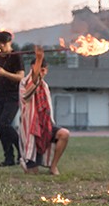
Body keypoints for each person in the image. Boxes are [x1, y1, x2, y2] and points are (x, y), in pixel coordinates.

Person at [18, 46, 70, 175]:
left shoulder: (45, 86)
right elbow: (30, 88)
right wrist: (39, 58)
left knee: (64, 134)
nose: (40, 72)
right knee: (32, 172)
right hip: (32, 128)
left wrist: (40, 60)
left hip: (45, 125)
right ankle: (26, 163)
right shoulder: (25, 82)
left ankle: (53, 166)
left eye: (42, 70)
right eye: (37, 69)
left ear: (46, 71)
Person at [0, 31, 24, 166]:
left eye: (3, 44)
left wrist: (5, 73)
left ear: (9, 42)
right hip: (0, 94)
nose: (1, 46)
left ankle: (22, 149)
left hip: (13, 95)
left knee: (5, 123)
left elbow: (20, 77)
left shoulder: (16, 57)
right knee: (0, 127)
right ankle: (8, 158)